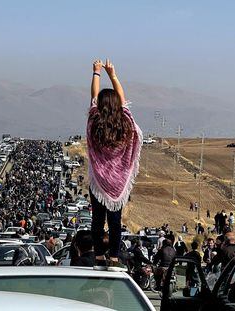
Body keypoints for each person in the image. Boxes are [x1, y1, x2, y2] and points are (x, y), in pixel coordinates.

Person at [87, 59, 142, 272]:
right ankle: (115, 257)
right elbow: (123, 100)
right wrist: (113, 74)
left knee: (98, 220)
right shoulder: (126, 123)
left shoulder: (94, 122)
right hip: (118, 182)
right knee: (115, 220)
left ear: (100, 105)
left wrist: (96, 73)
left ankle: (99, 256)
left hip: (98, 181)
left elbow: (93, 96)